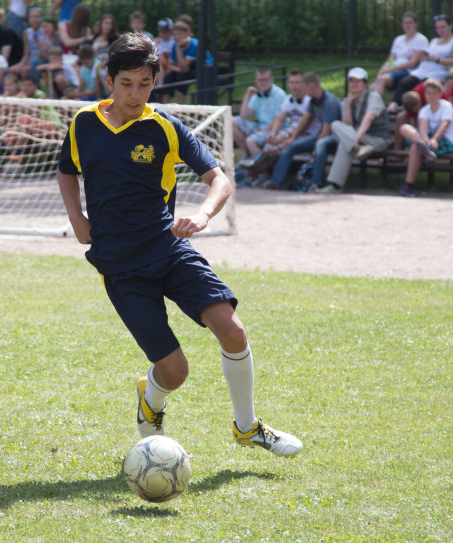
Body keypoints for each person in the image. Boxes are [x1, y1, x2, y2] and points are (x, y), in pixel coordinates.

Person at [56, 33, 302, 457]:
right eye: (127, 83)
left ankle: (247, 427)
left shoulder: (165, 126)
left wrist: (203, 215)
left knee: (232, 329)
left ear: (156, 81)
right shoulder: (84, 123)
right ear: (109, 80)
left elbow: (220, 179)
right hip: (120, 266)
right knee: (175, 371)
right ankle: (150, 398)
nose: (136, 93)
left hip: (169, 249)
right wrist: (77, 217)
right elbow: (66, 170)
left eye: (145, 83)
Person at [316, 67, 392, 193]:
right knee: (337, 127)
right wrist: (347, 105)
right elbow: (347, 124)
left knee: (345, 142)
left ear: (365, 83)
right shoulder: (348, 100)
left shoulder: (374, 96)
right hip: (360, 142)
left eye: (358, 81)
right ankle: (336, 186)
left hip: (378, 139)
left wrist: (357, 138)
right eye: (351, 81)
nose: (354, 84)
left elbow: (369, 118)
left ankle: (335, 186)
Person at [268, 71, 342, 191]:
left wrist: (314, 152)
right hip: (319, 136)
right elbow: (305, 118)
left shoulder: (329, 102)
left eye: (305, 88)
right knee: (290, 146)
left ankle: (315, 183)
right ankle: (275, 181)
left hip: (333, 138)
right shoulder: (314, 100)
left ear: (312, 87)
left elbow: (326, 131)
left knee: (320, 145)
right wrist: (292, 139)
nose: (304, 91)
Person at [397, 78, 453, 197]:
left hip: (445, 141)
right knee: (405, 129)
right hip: (428, 141)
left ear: (439, 93)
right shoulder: (424, 110)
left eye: (434, 93)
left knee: (415, 147)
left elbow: (444, 126)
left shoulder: (446, 106)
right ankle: (425, 148)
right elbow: (423, 126)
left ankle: (408, 185)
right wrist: (426, 140)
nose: (431, 96)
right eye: (428, 93)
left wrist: (434, 140)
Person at [388, 14, 453, 111]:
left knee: (420, 88)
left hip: (437, 73)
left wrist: (438, 60)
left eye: (443, 27)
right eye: (438, 28)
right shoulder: (434, 41)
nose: (441, 30)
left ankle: (415, 110)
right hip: (422, 70)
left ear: (450, 26)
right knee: (404, 83)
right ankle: (393, 106)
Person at [233, 67, 287, 159]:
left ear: (271, 79)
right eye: (260, 80)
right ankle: (246, 154)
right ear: (256, 81)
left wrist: (261, 132)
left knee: (251, 141)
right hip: (261, 127)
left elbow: (278, 120)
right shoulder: (257, 95)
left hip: (275, 129)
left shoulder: (280, 94)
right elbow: (243, 116)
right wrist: (247, 95)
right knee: (232, 121)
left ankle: (261, 169)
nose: (263, 83)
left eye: (265, 80)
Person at [371, 11, 427, 98]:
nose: (407, 25)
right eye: (405, 23)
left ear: (416, 24)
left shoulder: (421, 39)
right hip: (394, 70)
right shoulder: (398, 39)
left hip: (408, 72)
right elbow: (391, 59)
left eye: (410, 23)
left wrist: (393, 68)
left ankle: (374, 108)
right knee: (373, 86)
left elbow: (414, 62)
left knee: (381, 80)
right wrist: (382, 70)